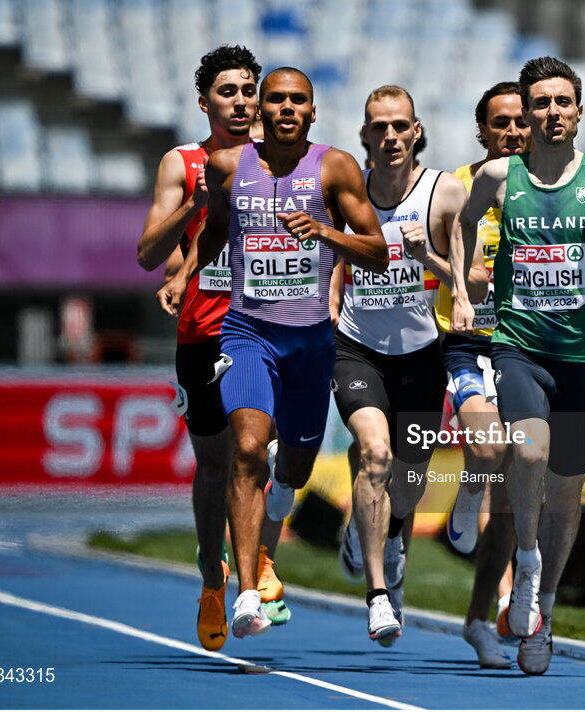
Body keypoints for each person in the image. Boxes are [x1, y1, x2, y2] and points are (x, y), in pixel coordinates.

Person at [158, 66, 387, 639]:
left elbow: (378, 252)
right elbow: (213, 232)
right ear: (261, 110)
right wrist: (185, 275)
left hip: (310, 341)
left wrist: (325, 233)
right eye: (276, 100)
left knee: (296, 465)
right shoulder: (228, 166)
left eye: (298, 101)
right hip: (246, 332)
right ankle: (246, 593)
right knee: (246, 449)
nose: (286, 108)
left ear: (313, 112)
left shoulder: (335, 167)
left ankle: (273, 524)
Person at [450, 56, 585, 675]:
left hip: (582, 360)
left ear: (579, 111)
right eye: (541, 103)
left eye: (563, 102)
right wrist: (460, 290)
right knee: (528, 452)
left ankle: (545, 609)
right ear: (529, 111)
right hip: (518, 348)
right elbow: (457, 225)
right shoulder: (497, 177)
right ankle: (528, 558)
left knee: (567, 496)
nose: (552, 113)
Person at [136, 45, 293, 651]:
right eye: (229, 91)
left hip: (269, 326)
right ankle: (210, 576)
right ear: (206, 103)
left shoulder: (285, 160)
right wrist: (194, 213)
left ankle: (259, 562)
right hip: (203, 331)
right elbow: (149, 253)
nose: (243, 101)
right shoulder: (182, 162)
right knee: (215, 464)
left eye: (249, 89)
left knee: (268, 448)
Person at [331, 85, 475, 645]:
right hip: (358, 348)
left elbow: (466, 279)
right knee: (375, 453)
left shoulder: (444, 193)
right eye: (379, 127)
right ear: (365, 136)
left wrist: (426, 259)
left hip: (421, 355)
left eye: (400, 126)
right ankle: (378, 595)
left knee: (408, 488)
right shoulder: (348, 194)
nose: (391, 136)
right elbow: (332, 265)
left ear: (416, 131)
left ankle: (375, 531)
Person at [433, 81, 530, 669]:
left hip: (528, 348)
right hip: (467, 345)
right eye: (501, 122)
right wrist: (464, 273)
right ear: (482, 131)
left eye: (521, 120)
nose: (514, 131)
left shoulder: (552, 190)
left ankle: (479, 618)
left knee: (519, 497)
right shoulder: (456, 187)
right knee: (492, 455)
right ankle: (469, 491)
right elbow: (430, 259)